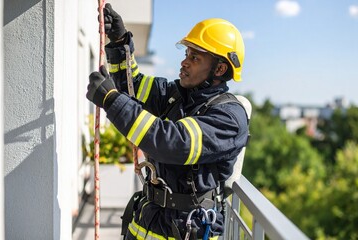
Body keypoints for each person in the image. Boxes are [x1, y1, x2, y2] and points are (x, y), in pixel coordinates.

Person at [86, 3, 249, 240]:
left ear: (219, 68)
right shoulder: (176, 94)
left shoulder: (229, 118)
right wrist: (120, 42)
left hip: (188, 228)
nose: (184, 62)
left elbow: (171, 143)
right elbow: (133, 87)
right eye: (186, 54)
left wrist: (111, 100)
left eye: (195, 57)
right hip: (149, 219)